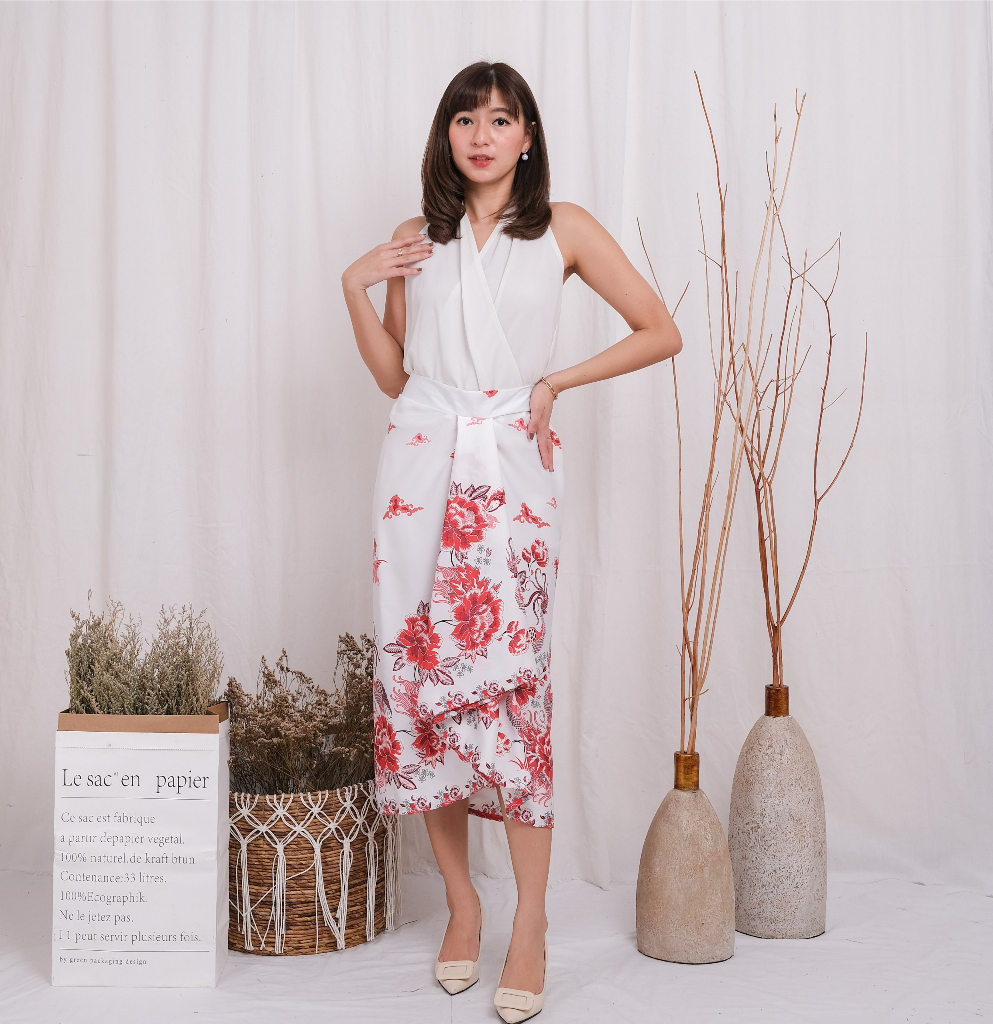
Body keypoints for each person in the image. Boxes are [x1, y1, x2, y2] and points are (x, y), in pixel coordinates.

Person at [341, 60, 681, 1023]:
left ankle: (529, 920)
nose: (482, 136)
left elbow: (660, 329)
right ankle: (463, 904)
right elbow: (393, 376)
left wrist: (555, 382)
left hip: (511, 472)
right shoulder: (418, 236)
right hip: (417, 466)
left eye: (501, 120)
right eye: (466, 119)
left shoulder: (562, 227)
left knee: (511, 685)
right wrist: (355, 284)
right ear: (445, 135)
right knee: (422, 683)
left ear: (528, 136)